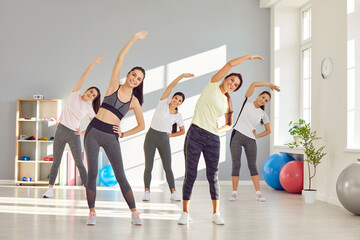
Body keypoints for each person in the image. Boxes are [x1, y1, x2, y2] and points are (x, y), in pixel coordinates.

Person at [178, 55, 263, 225]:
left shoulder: (226, 102)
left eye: (236, 85)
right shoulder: (213, 85)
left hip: (212, 139)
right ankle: (185, 213)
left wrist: (218, 130)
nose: (232, 84)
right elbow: (230, 64)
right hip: (195, 133)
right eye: (231, 80)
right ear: (226, 78)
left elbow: (229, 124)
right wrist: (248, 57)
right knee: (191, 174)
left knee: (213, 176)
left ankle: (216, 213)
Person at [84, 31, 147, 226]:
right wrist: (134, 39)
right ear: (128, 74)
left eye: (139, 79)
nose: (135, 79)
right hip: (93, 132)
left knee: (120, 174)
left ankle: (134, 212)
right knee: (92, 173)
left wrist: (124, 133)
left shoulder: (134, 101)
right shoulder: (114, 86)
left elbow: (142, 125)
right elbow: (120, 58)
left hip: (111, 137)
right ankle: (92, 212)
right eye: (133, 75)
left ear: (140, 83)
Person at [42, 55, 103, 198]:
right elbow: (82, 77)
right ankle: (50, 189)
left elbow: (95, 123)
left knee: (79, 163)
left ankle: (89, 189)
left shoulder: (89, 109)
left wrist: (81, 132)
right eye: (90, 91)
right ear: (86, 90)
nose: (90, 94)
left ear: (93, 99)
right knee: (55, 162)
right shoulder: (75, 94)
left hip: (73, 134)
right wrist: (93, 63)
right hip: (60, 131)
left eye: (93, 95)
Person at [143, 73, 194, 202]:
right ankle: (147, 192)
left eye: (179, 101)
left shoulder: (178, 116)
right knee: (149, 166)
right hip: (151, 137)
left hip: (164, 140)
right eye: (175, 98)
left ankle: (173, 192)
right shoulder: (162, 103)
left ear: (181, 103)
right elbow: (170, 86)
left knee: (168, 167)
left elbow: (183, 131)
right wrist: (181, 76)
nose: (176, 101)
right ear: (172, 98)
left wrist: (172, 135)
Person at [229, 81, 280, 202]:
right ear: (258, 95)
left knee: (252, 165)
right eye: (263, 97)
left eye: (266, 100)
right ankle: (234, 193)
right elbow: (253, 84)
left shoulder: (263, 114)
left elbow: (268, 131)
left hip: (250, 140)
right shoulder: (247, 102)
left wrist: (256, 136)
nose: (263, 101)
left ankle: (258, 194)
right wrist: (269, 85)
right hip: (237, 135)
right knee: (236, 164)